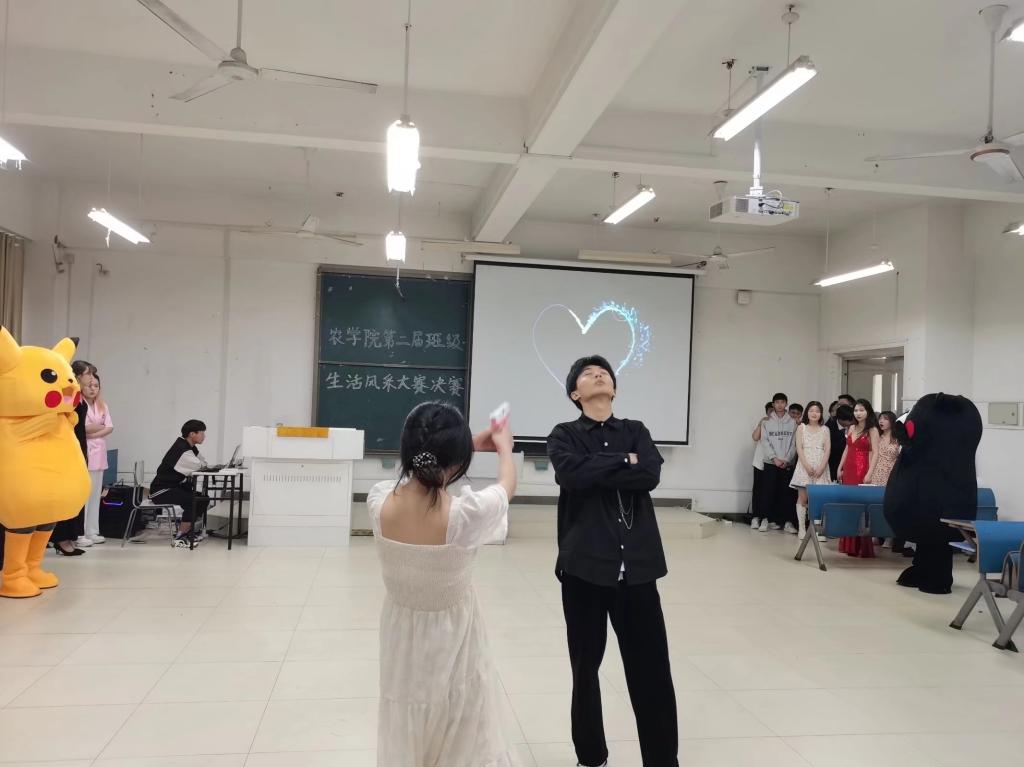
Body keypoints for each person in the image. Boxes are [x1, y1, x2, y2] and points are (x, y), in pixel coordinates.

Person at [365, 402, 517, 765]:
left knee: (406, 708)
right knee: (460, 709)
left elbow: (422, 469)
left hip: (401, 634)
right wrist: (504, 449)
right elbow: (506, 486)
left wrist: (464, 444)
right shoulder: (466, 516)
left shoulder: (378, 501)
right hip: (455, 634)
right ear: (456, 461)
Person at [547, 355, 677, 767]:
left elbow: (650, 474)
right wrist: (624, 460)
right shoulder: (564, 434)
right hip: (584, 568)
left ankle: (662, 760)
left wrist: (602, 468)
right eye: (588, 374)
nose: (598, 375)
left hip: (638, 569)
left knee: (652, 672)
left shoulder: (636, 430)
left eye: (604, 372)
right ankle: (591, 755)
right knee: (585, 669)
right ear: (575, 393)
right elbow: (571, 475)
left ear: (614, 389)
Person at [52, 359, 94, 555]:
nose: (91, 378)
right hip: (68, 446)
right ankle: (61, 537)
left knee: (77, 494)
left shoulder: (81, 395)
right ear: (77, 375)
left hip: (79, 446)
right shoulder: (68, 393)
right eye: (88, 373)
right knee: (67, 495)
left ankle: (70, 536)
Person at [149, 419, 212, 548]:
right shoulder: (181, 449)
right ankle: (180, 536)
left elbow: (203, 463)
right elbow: (199, 465)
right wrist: (201, 464)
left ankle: (189, 531)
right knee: (192, 500)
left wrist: (202, 464)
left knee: (203, 499)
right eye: (202, 433)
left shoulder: (190, 447)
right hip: (161, 490)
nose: (204, 436)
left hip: (172, 486)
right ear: (192, 434)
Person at [836, 399, 879, 558]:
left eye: (861, 410)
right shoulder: (852, 427)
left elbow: (876, 453)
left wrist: (870, 473)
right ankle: (849, 545)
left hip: (862, 470)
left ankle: (861, 546)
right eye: (856, 410)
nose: (858, 413)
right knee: (848, 504)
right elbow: (847, 448)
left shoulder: (872, 430)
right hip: (849, 469)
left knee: (860, 506)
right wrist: (840, 467)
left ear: (868, 411)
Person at [789, 401, 832, 540]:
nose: (814, 413)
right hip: (804, 465)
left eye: (817, 411)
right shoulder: (801, 428)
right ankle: (802, 528)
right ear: (807, 412)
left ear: (821, 414)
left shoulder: (825, 429)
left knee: (820, 498)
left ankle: (819, 530)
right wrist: (807, 466)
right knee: (802, 497)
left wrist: (821, 467)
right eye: (812, 410)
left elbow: (827, 449)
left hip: (821, 465)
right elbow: (799, 448)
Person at [757, 393, 798, 533]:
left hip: (787, 463)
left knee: (787, 493)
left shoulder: (793, 422)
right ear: (773, 404)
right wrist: (774, 458)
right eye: (777, 402)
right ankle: (765, 519)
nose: (780, 405)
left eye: (782, 402)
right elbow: (764, 441)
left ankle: (787, 522)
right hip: (770, 462)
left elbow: (794, 443)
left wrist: (787, 459)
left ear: (786, 403)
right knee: (767, 492)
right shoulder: (766, 422)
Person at [81, 371, 113, 544]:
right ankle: (81, 532)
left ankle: (92, 531)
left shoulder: (102, 405)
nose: (93, 389)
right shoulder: (79, 404)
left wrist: (94, 431)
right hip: (85, 452)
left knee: (95, 495)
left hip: (99, 453)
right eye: (89, 385)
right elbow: (83, 428)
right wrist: (97, 428)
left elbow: (109, 427)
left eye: (96, 386)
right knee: (84, 495)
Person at [749, 402, 773, 530]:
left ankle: (766, 518)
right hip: (759, 461)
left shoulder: (782, 425)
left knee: (769, 491)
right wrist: (760, 423)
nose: (772, 413)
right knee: (757, 490)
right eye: (770, 411)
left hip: (773, 463)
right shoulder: (763, 422)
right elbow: (755, 437)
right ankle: (755, 517)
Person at [826, 404, 855, 483]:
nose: (852, 422)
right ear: (840, 419)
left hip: (851, 464)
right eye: (849, 420)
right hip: (833, 465)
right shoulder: (829, 428)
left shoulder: (854, 426)